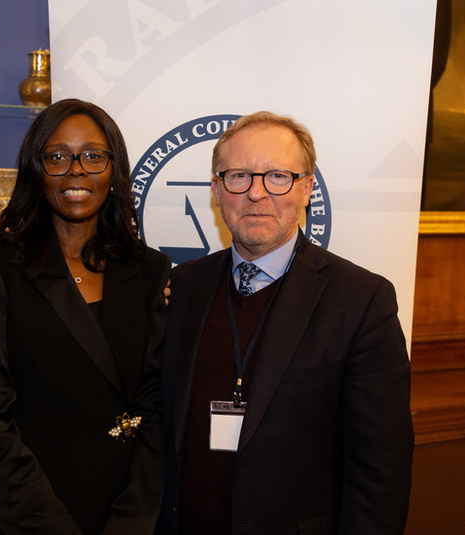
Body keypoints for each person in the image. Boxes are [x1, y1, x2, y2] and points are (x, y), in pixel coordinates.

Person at [157, 111, 414, 534]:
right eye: (238, 176)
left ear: (308, 188)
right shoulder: (182, 286)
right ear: (216, 190)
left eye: (278, 176)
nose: (257, 194)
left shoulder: (361, 301)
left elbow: (381, 472)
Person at [0, 98, 170, 534]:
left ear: (113, 169)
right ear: (36, 169)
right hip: (31, 513)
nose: (76, 170)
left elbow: (156, 412)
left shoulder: (151, 270)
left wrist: (131, 523)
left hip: (125, 511)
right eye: (57, 156)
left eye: (93, 156)